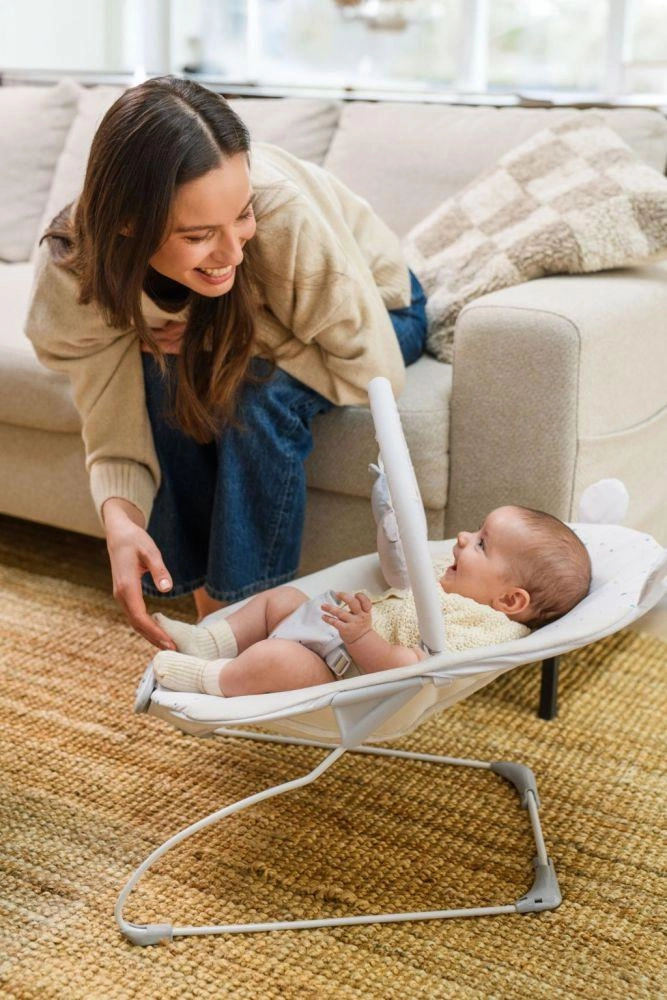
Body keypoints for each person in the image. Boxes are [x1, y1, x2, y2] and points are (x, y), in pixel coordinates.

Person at [25, 76, 427, 653]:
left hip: (382, 311)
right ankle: (212, 615)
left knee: (252, 392)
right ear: (127, 224)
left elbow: (375, 370)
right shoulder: (78, 268)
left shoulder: (281, 216)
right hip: (266, 323)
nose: (233, 252)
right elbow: (112, 420)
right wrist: (120, 520)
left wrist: (232, 338)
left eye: (242, 216)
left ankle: (252, 630)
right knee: (165, 371)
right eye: (197, 235)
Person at [139, 505, 591, 702]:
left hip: (346, 670)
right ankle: (209, 643)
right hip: (336, 627)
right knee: (280, 600)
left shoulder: (486, 629)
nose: (462, 537)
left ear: (510, 600)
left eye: (481, 544)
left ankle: (209, 680)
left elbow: (412, 667)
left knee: (275, 658)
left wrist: (361, 638)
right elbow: (401, 573)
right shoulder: (458, 580)